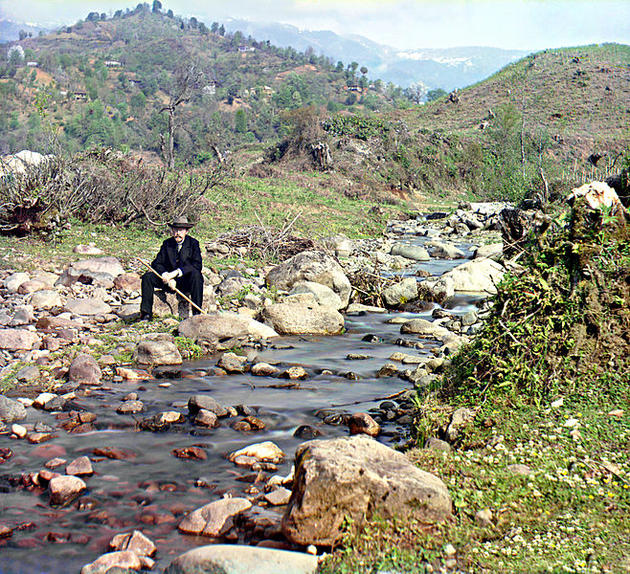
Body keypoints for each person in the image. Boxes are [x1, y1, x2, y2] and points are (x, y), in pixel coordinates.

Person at [140, 216, 203, 320]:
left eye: (181, 230)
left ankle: (197, 314)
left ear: (186, 231)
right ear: (172, 230)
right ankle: (146, 314)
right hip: (167, 280)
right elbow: (156, 263)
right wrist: (166, 275)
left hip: (185, 281)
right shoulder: (167, 244)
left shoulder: (193, 244)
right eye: (175, 230)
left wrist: (176, 273)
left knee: (197, 276)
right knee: (147, 277)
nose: (177, 233)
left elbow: (197, 265)